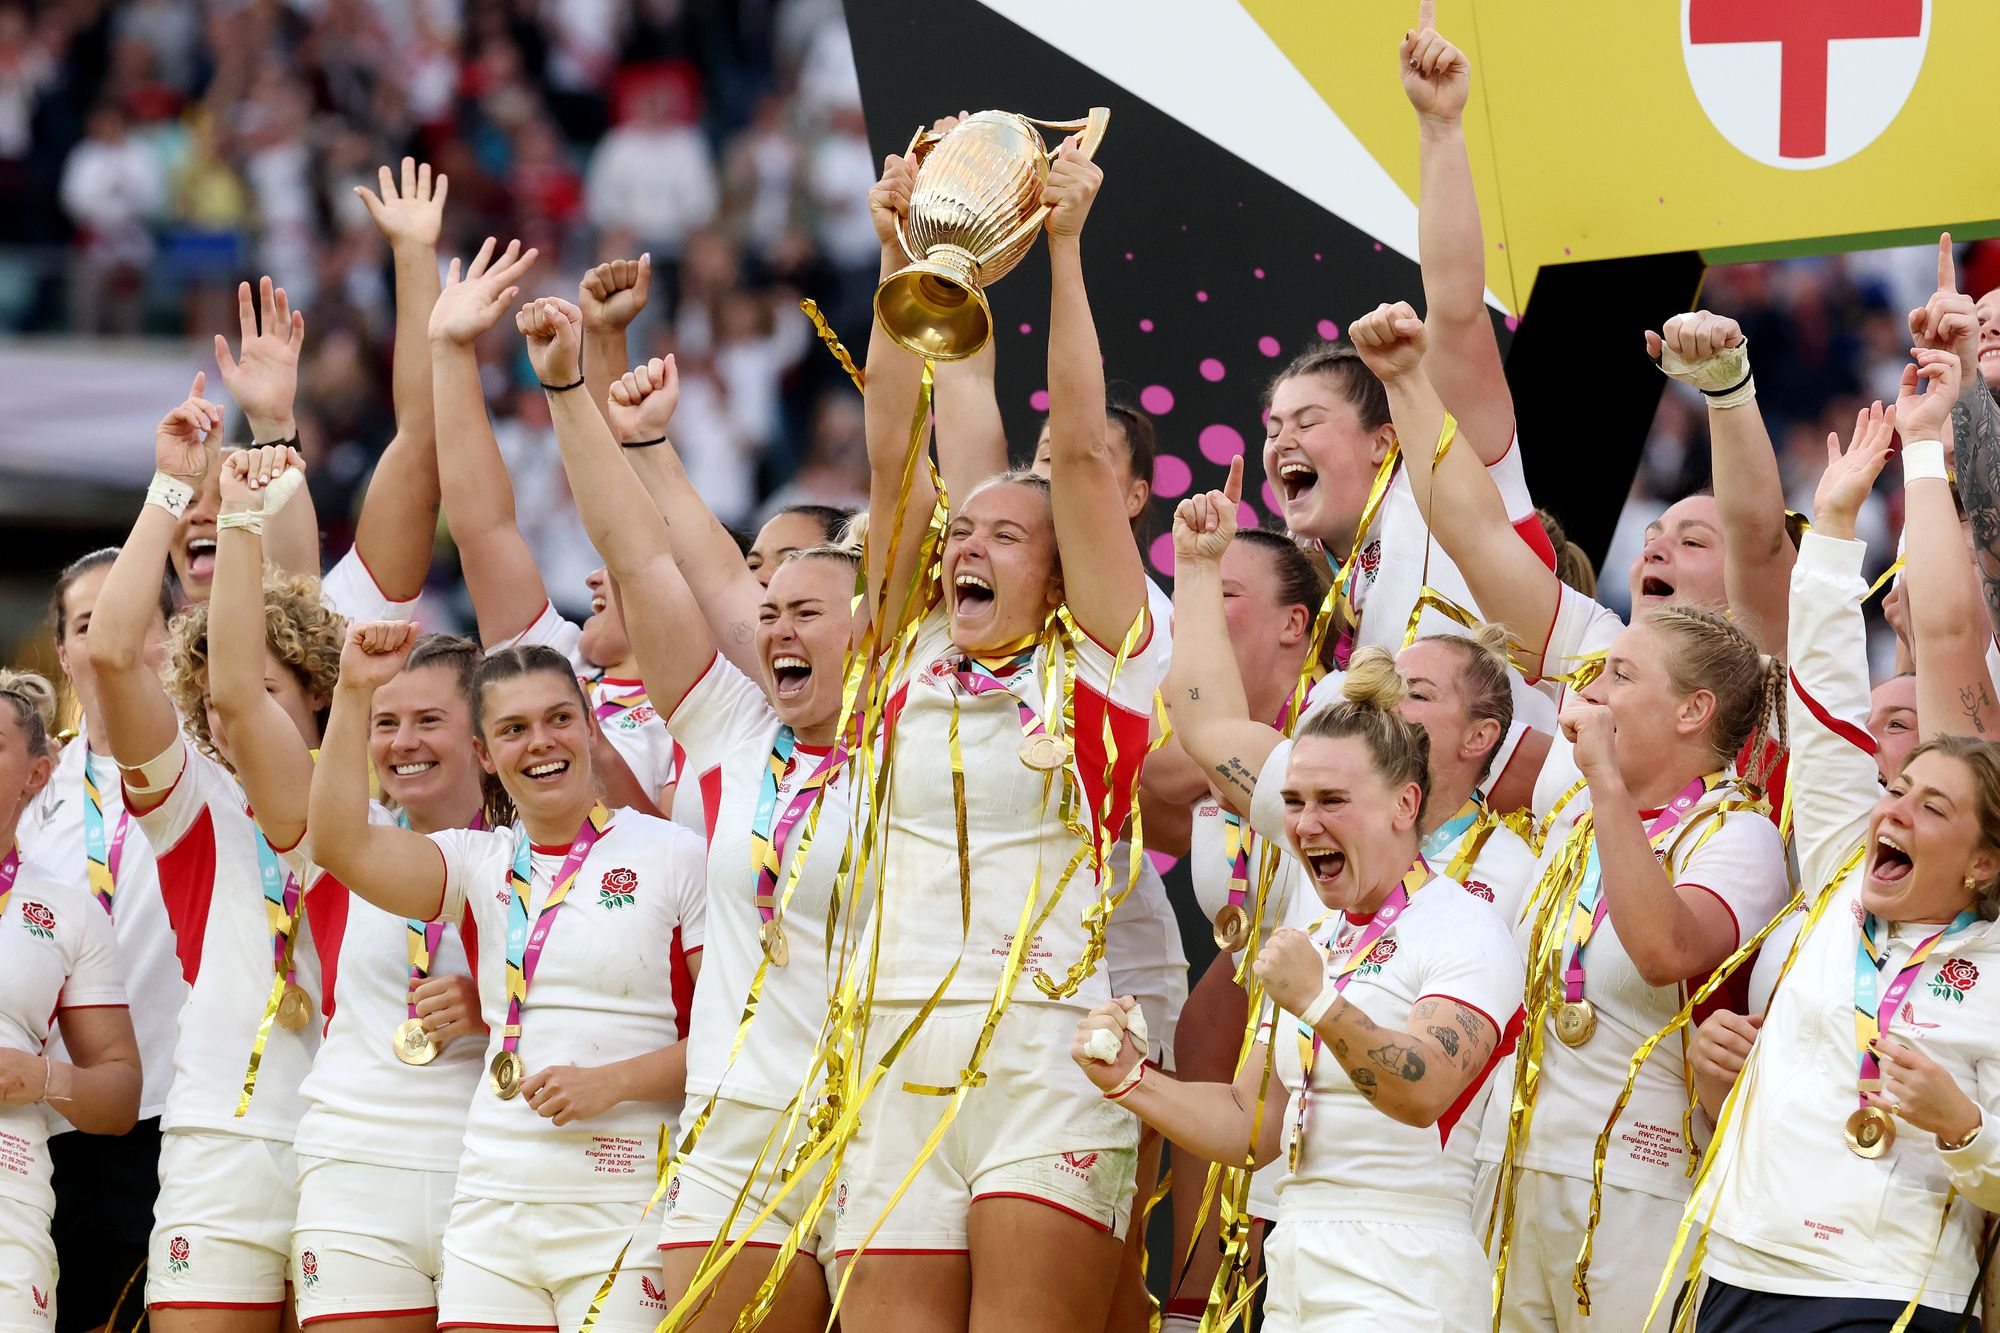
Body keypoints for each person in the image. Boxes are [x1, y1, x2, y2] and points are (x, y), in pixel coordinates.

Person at [830, 136, 1166, 1331]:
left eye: (1004, 536)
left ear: (1063, 563)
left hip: (1045, 1062)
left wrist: (1063, 252)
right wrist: (899, 256)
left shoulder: (1106, 666)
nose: (965, 547)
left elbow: (1074, 448)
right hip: (889, 1052)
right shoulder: (903, 652)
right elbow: (893, 452)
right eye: (959, 538)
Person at [1074, 479, 1523, 1325]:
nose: (1303, 821)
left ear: (1403, 804)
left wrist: (1318, 997)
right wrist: (1131, 1081)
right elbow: (1253, 1125)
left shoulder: (1467, 926)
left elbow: (1423, 1087)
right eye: (1297, 800)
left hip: (1406, 1277)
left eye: (1331, 802)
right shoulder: (1318, 929)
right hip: (1299, 1265)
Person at [516, 296, 860, 1328]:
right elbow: (646, 558)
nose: (775, 630)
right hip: (735, 1120)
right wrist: (569, 390)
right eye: (769, 614)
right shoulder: (727, 735)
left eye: (807, 613)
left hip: (890, 1118)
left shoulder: (919, 743)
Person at [1683, 354, 2000, 1330]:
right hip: (1736, 1265)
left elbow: (1949, 628)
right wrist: (1827, 531)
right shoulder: (1832, 886)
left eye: (1928, 807)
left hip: (1882, 1292)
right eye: (1893, 790)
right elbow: (1821, 710)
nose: (1889, 809)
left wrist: (1962, 1127)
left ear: (1985, 862)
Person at [305, 621, 707, 1333]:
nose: (542, 742)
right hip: (492, 1203)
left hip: (621, 1201)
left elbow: (729, 1037)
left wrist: (610, 1081)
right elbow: (341, 844)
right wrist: (353, 689)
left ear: (590, 725)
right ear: (486, 755)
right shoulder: (476, 862)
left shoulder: (675, 854)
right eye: (514, 729)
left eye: (559, 719)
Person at [89, 419, 340, 1332]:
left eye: (268, 696)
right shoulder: (190, 807)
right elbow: (115, 654)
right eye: (225, 706)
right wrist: (168, 489)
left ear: (317, 692)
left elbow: (292, 593)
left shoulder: (374, 808)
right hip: (220, 1137)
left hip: (353, 1136)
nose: (242, 723)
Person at [430, 242, 698, 827]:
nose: (593, 573)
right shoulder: (555, 658)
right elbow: (485, 530)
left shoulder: (701, 703)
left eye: (616, 568)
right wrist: (451, 351)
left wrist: (592, 745)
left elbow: (680, 853)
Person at [288, 631, 488, 1333]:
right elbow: (241, 708)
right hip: (357, 1164)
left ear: (482, 735)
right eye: (386, 722)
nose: (404, 742)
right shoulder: (348, 838)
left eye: (428, 720)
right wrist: (350, 689)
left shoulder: (536, 856)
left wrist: (494, 1012)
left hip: (494, 1170)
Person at [19, 551, 183, 1333]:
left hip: (168, 1120)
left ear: (173, 635)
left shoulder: (214, 774)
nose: (112, 637)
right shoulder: (25, 786)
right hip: (36, 1124)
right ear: (62, 652)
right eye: (90, 623)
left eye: (135, 618)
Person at [0, 670, 142, 1330]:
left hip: (11, 1194)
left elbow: (118, 1096)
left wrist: (41, 1076)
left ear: (36, 775)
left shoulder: (66, 910)